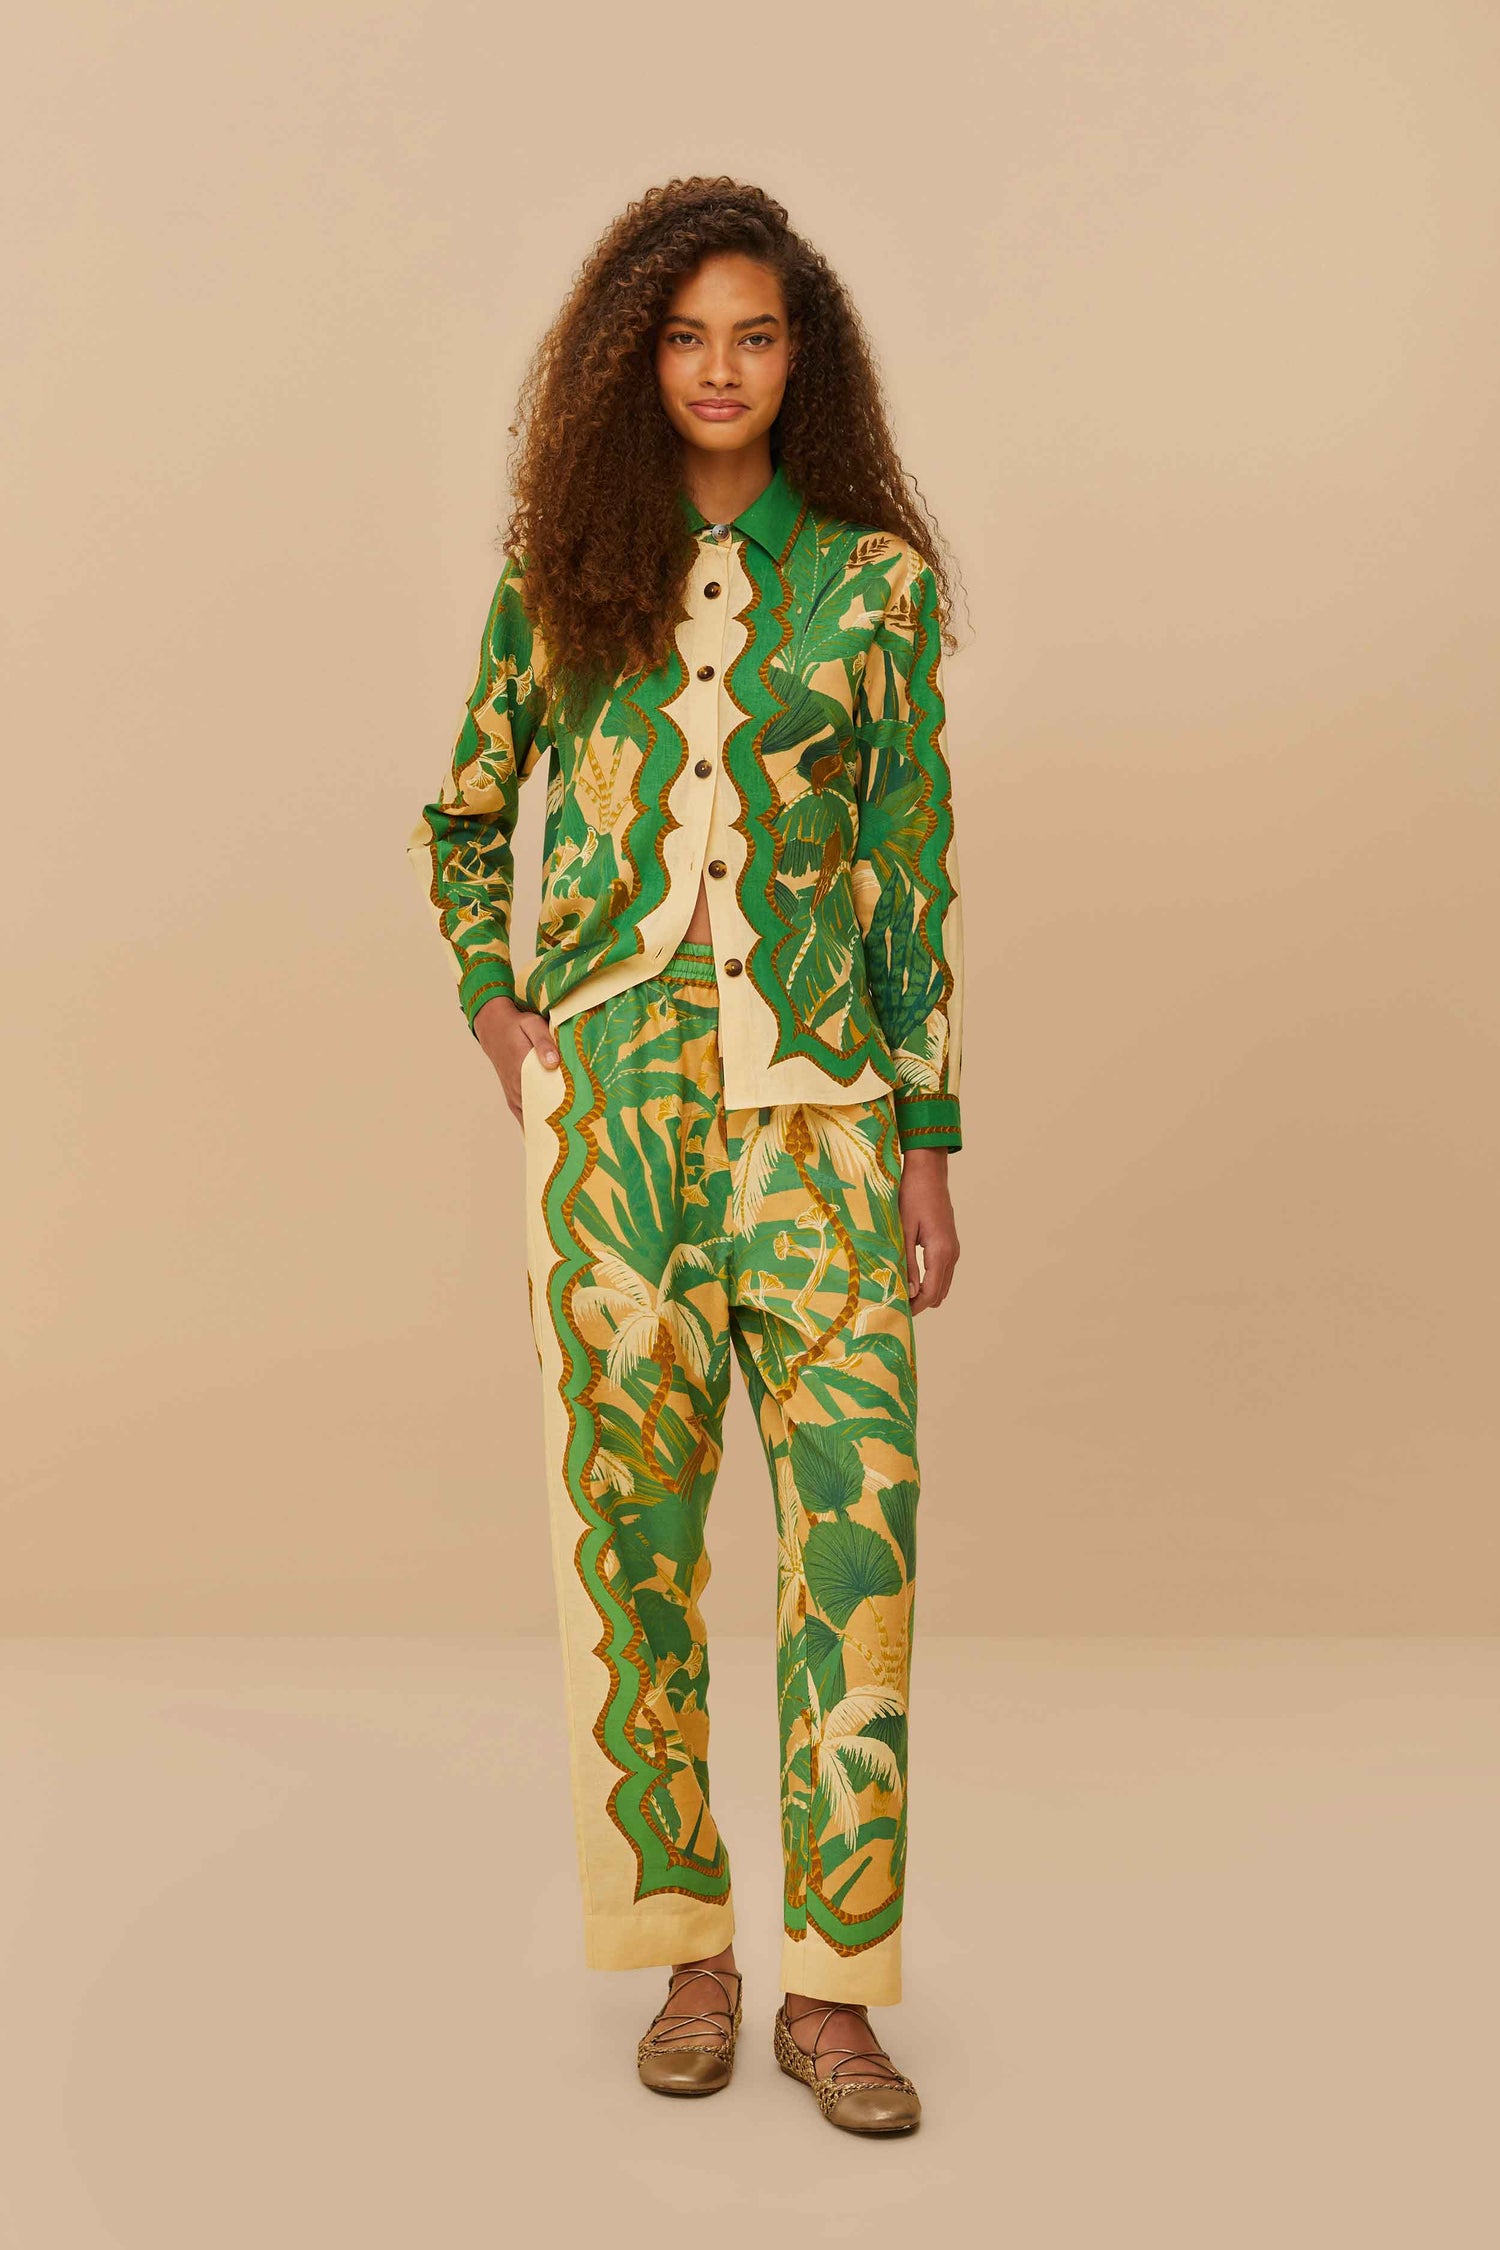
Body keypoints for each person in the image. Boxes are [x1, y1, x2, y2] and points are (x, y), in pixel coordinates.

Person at [408, 176, 965, 2136]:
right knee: (630, 1552)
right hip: (619, 1132)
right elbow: (466, 812)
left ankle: (838, 1992)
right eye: (686, 336)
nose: (722, 368)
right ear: (634, 357)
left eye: (758, 335)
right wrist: (500, 1007)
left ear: (804, 360)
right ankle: (691, 1954)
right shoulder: (568, 571)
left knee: (856, 1560)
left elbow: (910, 873)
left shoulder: (875, 585)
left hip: (825, 1132)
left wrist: (928, 1139)